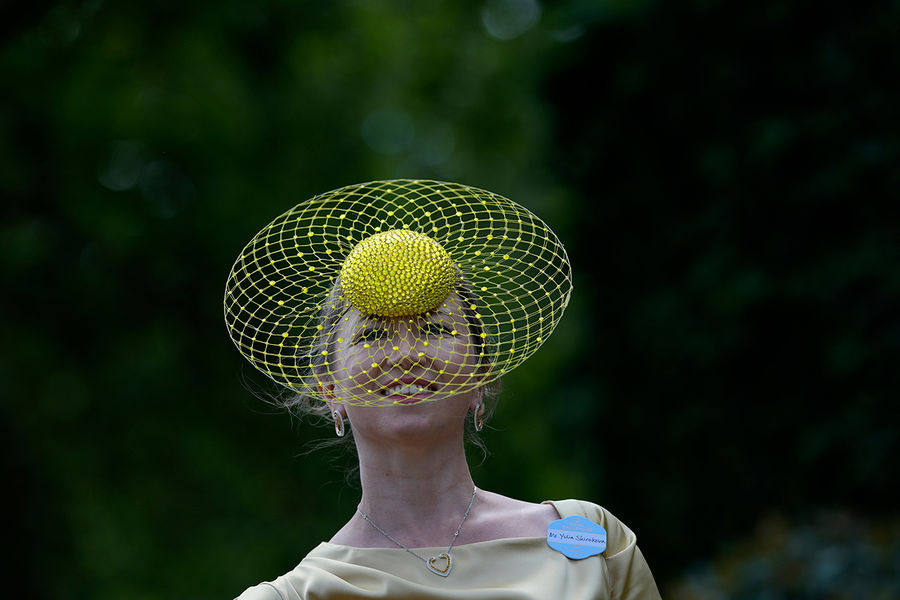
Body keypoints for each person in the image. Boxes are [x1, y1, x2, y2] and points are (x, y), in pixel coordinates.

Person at [225, 180, 662, 599]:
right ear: (329, 389)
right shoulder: (294, 595)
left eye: (434, 329)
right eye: (372, 336)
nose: (405, 354)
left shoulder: (593, 541)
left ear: (481, 377)